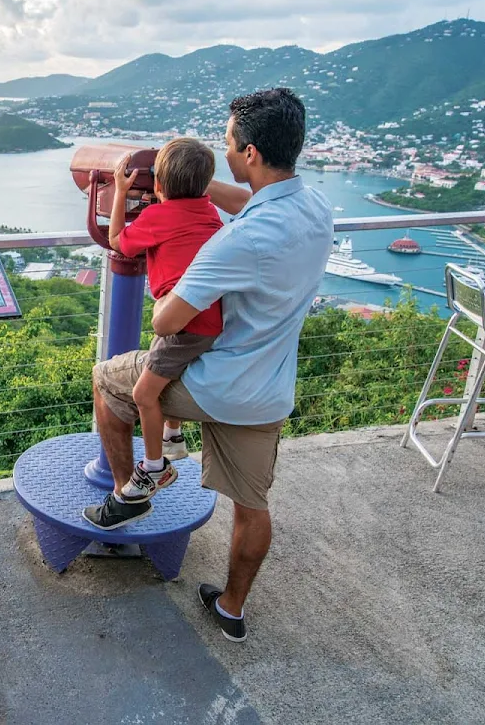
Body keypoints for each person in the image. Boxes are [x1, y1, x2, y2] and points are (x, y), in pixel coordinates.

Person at [85, 88, 333, 643]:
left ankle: (133, 491)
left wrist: (159, 198)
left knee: (109, 382)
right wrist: (182, 190)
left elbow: (166, 323)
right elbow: (252, 202)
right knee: (252, 504)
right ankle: (231, 607)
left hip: (207, 381)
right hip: (266, 392)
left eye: (227, 145)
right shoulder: (314, 209)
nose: (224, 153)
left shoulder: (234, 243)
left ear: (247, 153)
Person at [91, 138, 222, 519]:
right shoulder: (210, 212)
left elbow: (118, 241)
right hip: (209, 320)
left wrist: (120, 193)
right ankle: (173, 436)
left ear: (159, 186)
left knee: (144, 391)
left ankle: (154, 467)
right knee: (162, 359)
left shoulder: (157, 218)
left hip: (184, 325)